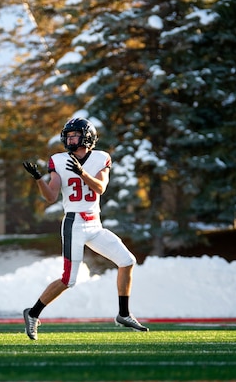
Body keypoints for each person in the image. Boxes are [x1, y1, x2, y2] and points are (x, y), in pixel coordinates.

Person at [21, 117, 148, 340]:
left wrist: (82, 173)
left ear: (87, 137)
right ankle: (32, 314)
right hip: (74, 223)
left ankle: (124, 314)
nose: (69, 139)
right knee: (69, 279)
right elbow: (51, 196)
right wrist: (39, 179)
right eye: (68, 136)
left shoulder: (101, 158)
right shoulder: (58, 160)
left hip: (95, 223)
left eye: (74, 135)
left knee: (127, 261)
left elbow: (100, 188)